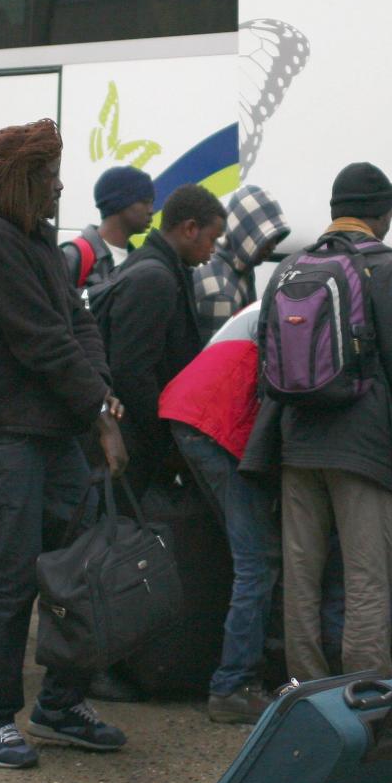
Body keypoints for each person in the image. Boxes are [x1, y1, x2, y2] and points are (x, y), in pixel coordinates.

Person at [0, 118, 129, 770]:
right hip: (2, 432)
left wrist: (99, 392)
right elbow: (40, 340)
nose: (59, 187)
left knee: (81, 566)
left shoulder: (35, 238)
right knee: (14, 576)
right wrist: (99, 415)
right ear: (20, 181)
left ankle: (59, 704)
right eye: (49, 176)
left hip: (48, 428)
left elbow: (77, 321)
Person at [242, 162, 392, 684]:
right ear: (384, 213)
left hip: (297, 446)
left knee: (301, 578)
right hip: (362, 451)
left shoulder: (290, 269)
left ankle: (306, 689)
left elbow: (266, 363)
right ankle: (364, 693)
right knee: (366, 578)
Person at [159, 304, 277, 723]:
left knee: (245, 554)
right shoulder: (300, 300)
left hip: (190, 410)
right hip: (217, 419)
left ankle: (230, 670)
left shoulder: (275, 296)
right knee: (257, 561)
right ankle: (233, 685)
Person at [94, 183, 224, 495]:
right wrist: (165, 442)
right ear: (190, 229)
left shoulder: (158, 266)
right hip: (134, 440)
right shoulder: (156, 278)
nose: (213, 250)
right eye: (212, 239)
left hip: (135, 434)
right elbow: (131, 371)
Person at [191, 183, 289, 338]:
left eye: (275, 239)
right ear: (243, 234)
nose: (273, 247)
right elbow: (221, 351)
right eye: (266, 239)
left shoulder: (237, 265)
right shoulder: (222, 291)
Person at [60, 165, 152, 290]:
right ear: (120, 202)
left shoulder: (138, 260)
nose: (151, 210)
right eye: (145, 202)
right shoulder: (74, 255)